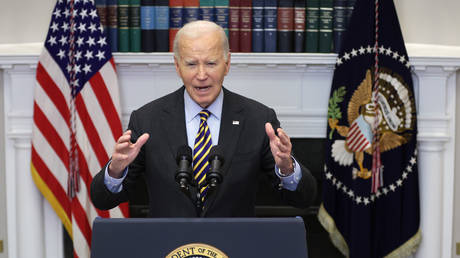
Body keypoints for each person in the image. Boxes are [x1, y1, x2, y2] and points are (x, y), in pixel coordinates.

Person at [90, 20, 317, 217]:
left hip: (233, 248)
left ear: (227, 64)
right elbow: (102, 200)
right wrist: (116, 171)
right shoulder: (147, 120)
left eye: (211, 63)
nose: (201, 75)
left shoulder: (258, 119)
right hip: (170, 248)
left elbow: (303, 198)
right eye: (191, 64)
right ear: (177, 66)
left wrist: (287, 168)